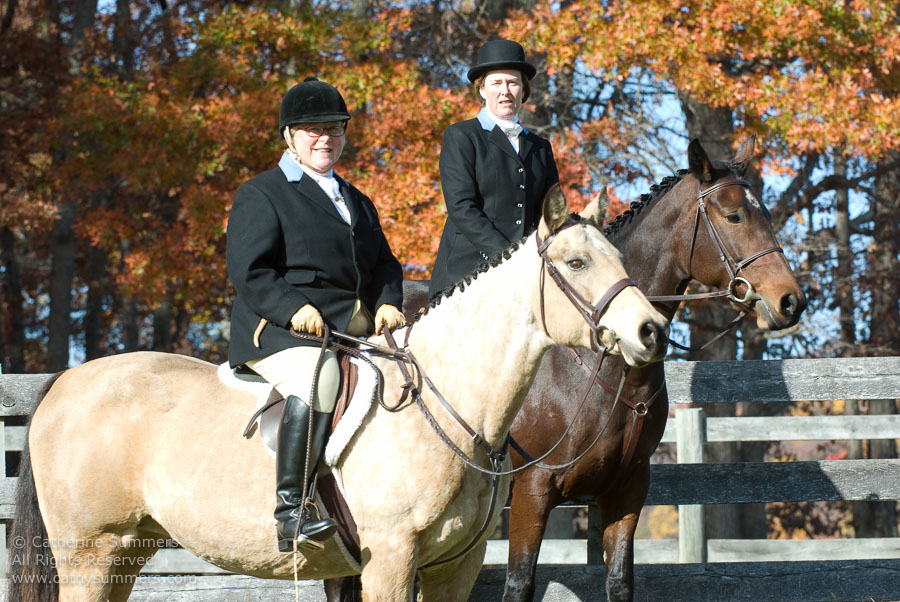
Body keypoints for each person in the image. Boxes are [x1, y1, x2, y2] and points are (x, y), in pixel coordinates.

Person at [226, 77, 406, 552]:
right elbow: (250, 271)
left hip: (352, 331)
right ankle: (293, 509)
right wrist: (295, 308)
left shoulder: (357, 200)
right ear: (290, 137)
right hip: (282, 333)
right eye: (312, 130)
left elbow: (384, 262)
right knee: (317, 379)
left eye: (334, 128)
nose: (324, 138)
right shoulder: (262, 193)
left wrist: (388, 299)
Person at [429, 39, 560, 297]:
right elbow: (462, 207)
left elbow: (550, 214)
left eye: (513, 82)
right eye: (496, 83)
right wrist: (508, 256)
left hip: (524, 275)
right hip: (466, 274)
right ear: (482, 90)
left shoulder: (540, 147)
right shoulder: (461, 136)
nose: (505, 91)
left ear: (524, 90)